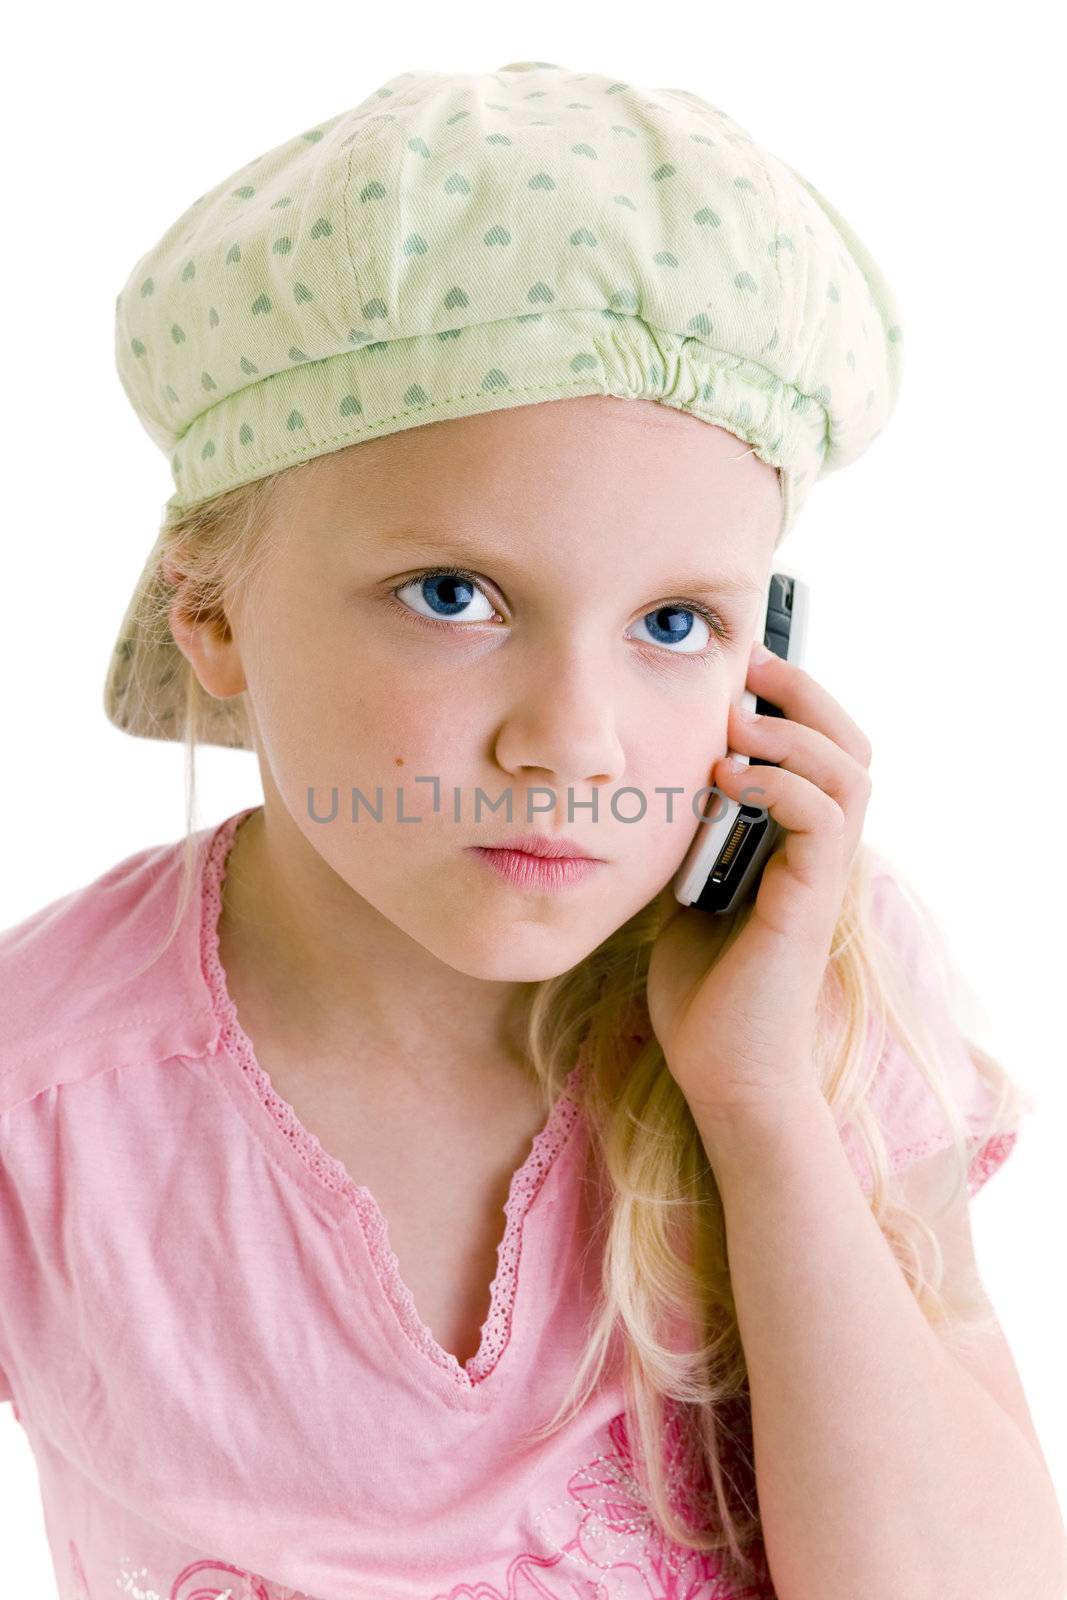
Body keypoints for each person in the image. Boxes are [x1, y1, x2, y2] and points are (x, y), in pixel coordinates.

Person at [1, 60, 1064, 1600]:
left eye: (673, 622)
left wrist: (760, 1100)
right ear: (212, 614)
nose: (573, 742)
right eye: (456, 597)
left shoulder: (813, 993)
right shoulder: (47, 1090)